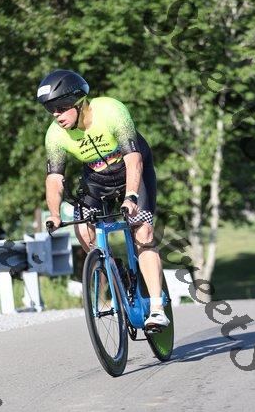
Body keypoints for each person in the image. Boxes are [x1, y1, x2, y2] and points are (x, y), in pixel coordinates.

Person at [37, 69, 169, 328]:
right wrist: (54, 214)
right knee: (83, 231)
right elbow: (54, 178)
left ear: (78, 102)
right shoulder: (55, 135)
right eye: (50, 109)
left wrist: (131, 196)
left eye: (60, 108)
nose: (55, 115)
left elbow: (133, 158)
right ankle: (115, 272)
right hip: (97, 179)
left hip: (133, 171)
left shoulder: (111, 111)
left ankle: (156, 307)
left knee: (143, 233)